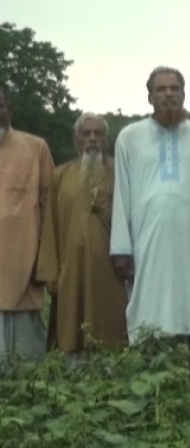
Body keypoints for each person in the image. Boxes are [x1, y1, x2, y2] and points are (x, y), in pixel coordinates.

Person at [109, 67, 190, 343]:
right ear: (150, 97)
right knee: (148, 305)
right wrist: (121, 248)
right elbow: (122, 193)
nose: (168, 94)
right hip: (146, 241)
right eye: (161, 89)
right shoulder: (129, 136)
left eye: (174, 88)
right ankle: (149, 347)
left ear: (183, 94)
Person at [36, 113, 128, 354]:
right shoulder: (60, 175)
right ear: (76, 140)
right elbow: (50, 226)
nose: (92, 139)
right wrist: (50, 272)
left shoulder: (122, 173)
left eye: (98, 133)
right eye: (86, 133)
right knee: (71, 332)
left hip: (111, 271)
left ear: (107, 140)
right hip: (71, 270)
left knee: (112, 333)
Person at [0, 83, 54, 364]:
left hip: (23, 268)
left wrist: (45, 261)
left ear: (9, 109)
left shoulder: (35, 148)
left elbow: (49, 207)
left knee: (26, 369)